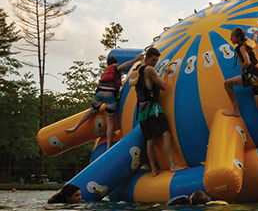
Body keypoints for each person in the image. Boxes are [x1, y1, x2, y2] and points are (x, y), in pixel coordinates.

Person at [129, 47, 184, 176]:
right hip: (152, 108)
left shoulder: (138, 70)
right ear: (147, 58)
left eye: (156, 61)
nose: (155, 63)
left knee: (150, 140)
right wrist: (166, 74)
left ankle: (153, 169)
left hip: (142, 110)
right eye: (153, 60)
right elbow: (163, 86)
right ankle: (172, 164)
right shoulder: (149, 69)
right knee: (165, 134)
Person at [65, 55, 139, 149]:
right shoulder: (115, 67)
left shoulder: (106, 70)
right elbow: (121, 67)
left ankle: (75, 126)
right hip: (109, 94)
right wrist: (135, 60)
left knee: (91, 110)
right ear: (115, 63)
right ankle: (108, 146)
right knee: (110, 122)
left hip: (99, 94)